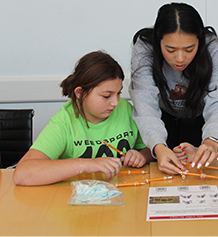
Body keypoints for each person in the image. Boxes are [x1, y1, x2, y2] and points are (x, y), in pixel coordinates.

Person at [13, 51, 154, 186]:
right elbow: (22, 174)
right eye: (106, 96)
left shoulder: (125, 109)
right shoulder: (64, 122)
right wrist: (85, 164)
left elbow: (150, 150)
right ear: (80, 93)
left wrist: (141, 156)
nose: (115, 103)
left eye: (118, 93)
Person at [129, 2, 218, 174]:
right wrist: (158, 146)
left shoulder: (213, 48)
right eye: (170, 50)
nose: (180, 58)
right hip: (161, 120)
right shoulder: (144, 48)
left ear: (200, 41)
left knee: (198, 173)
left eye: (189, 49)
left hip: (202, 120)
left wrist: (211, 141)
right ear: (158, 41)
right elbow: (145, 102)